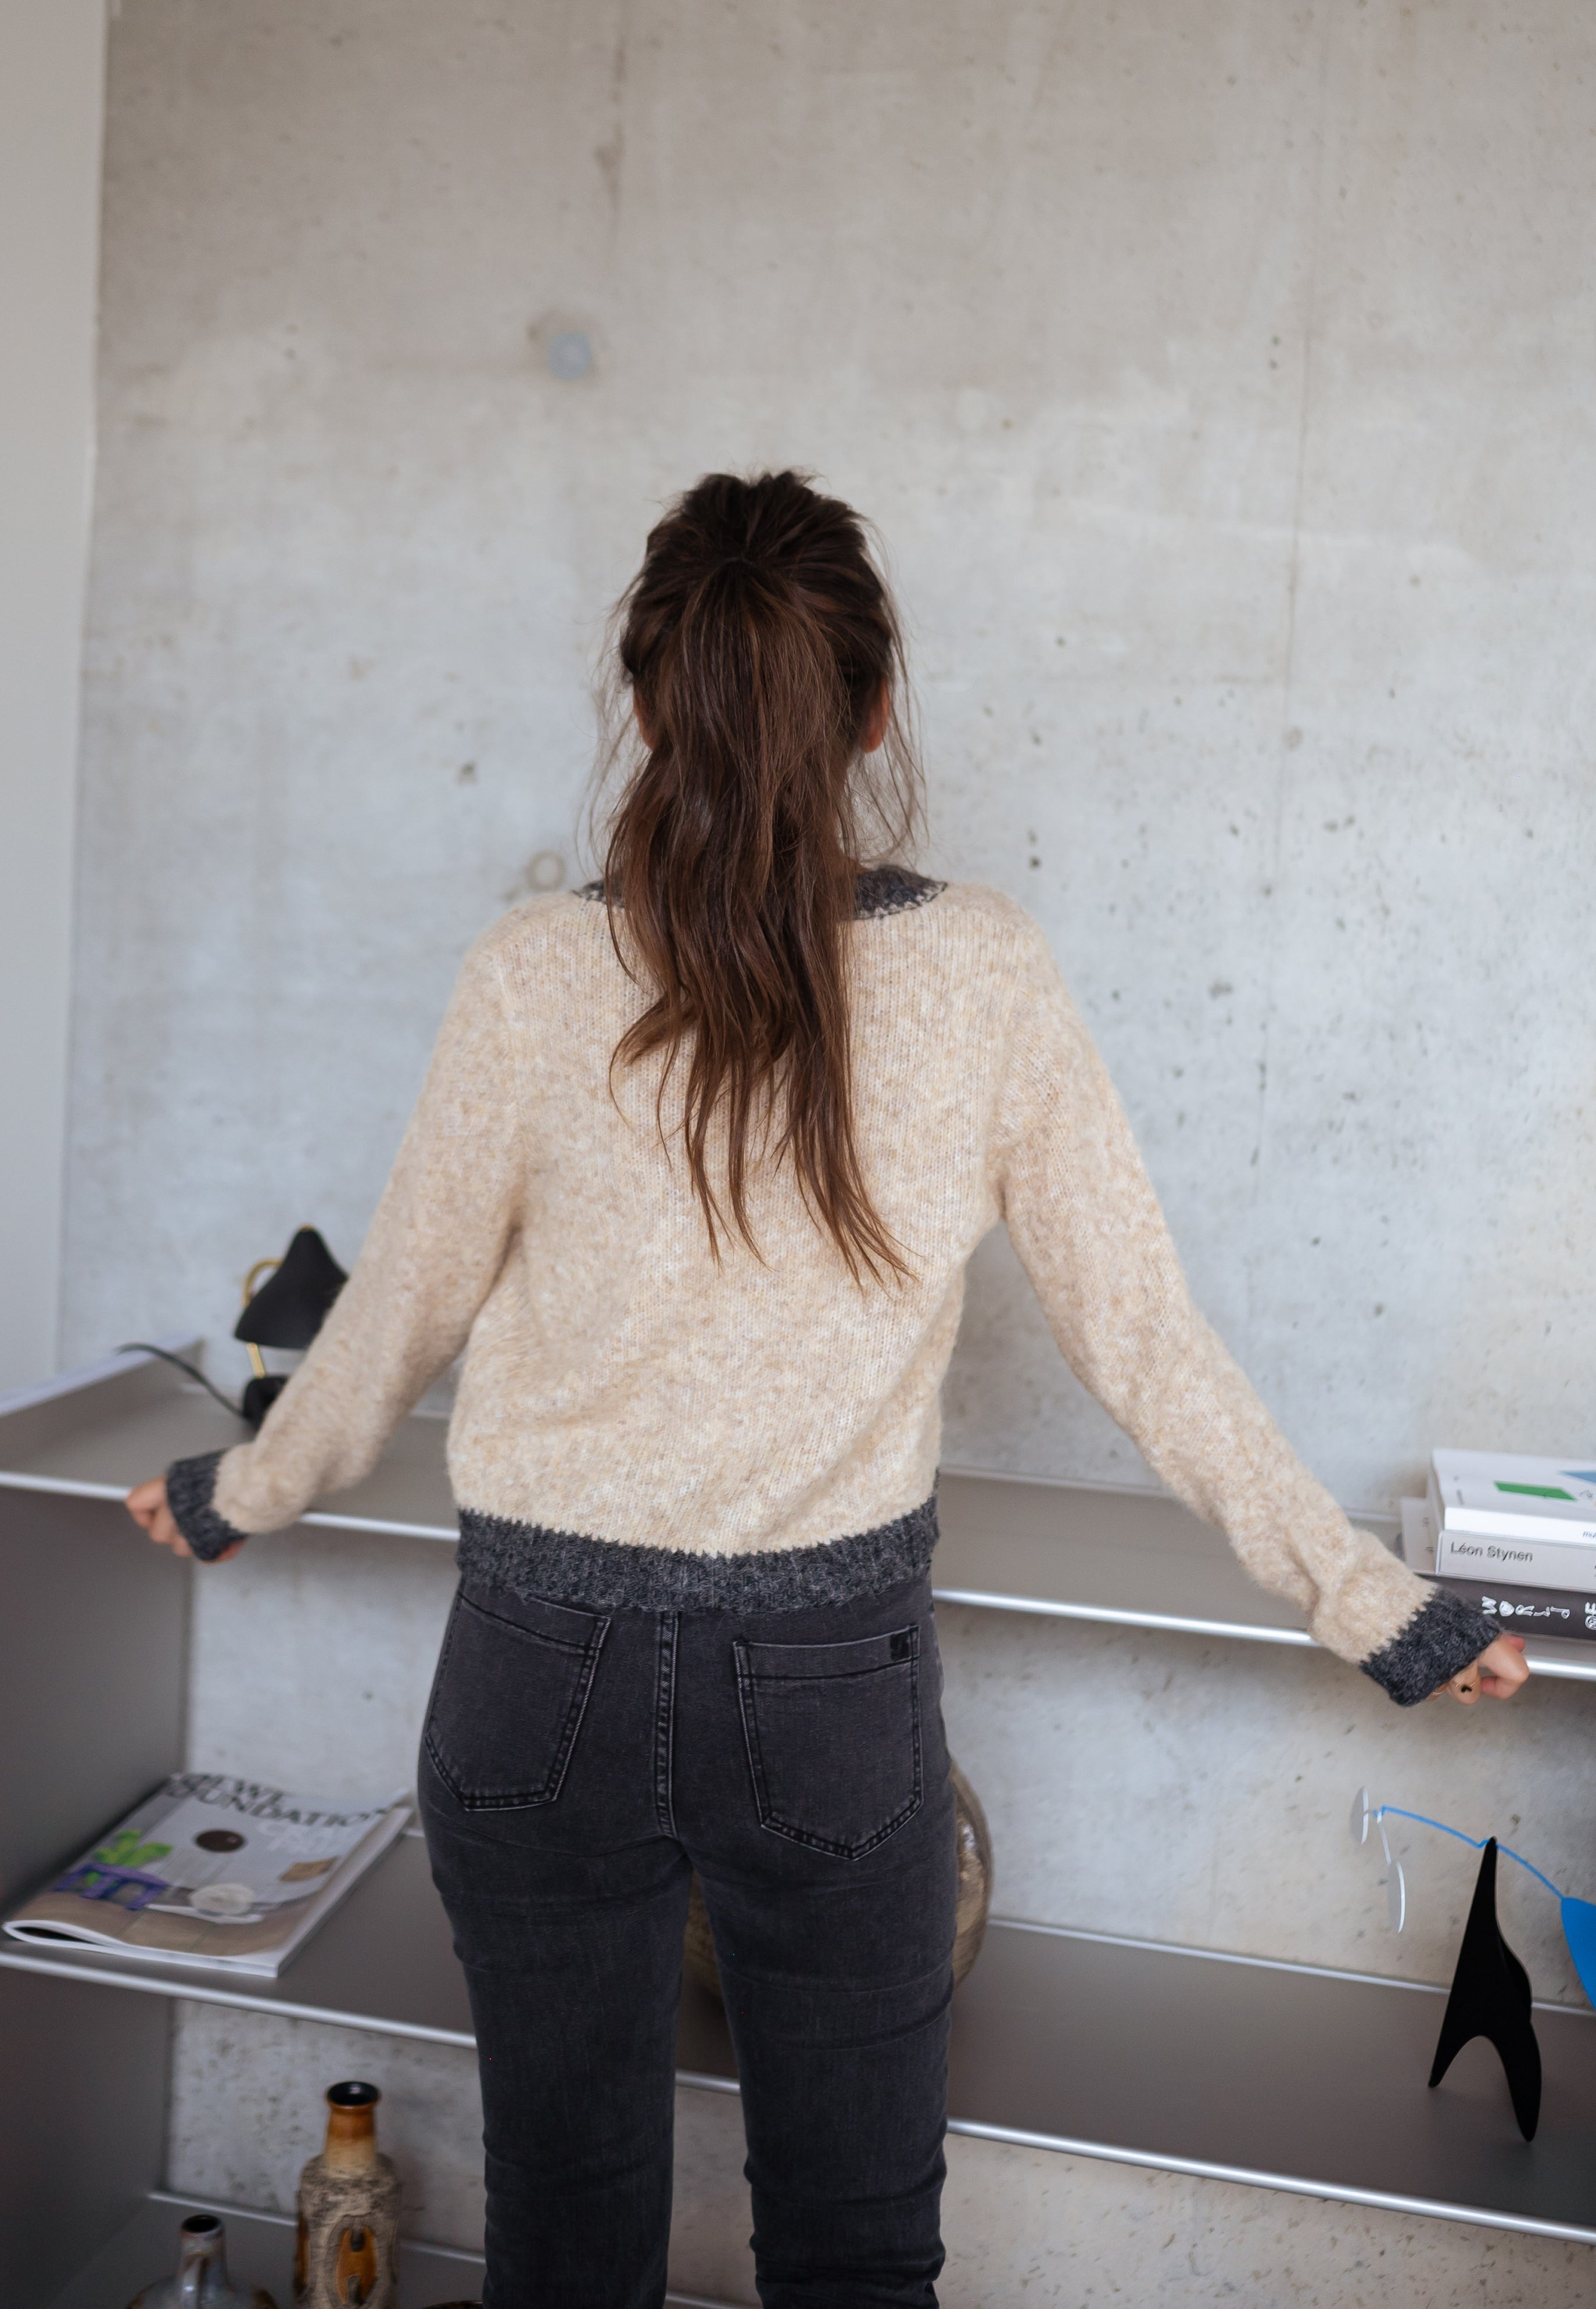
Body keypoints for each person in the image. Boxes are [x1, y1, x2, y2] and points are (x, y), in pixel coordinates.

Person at [127, 469, 1528, 2309]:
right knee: (858, 2250)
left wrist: (242, 1492)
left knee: (564, 2224)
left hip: (532, 1675)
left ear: (644, 703)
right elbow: (1144, 1338)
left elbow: (397, 1311)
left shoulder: (534, 972)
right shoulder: (980, 972)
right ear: (874, 711)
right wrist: (1383, 1608)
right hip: (826, 1700)